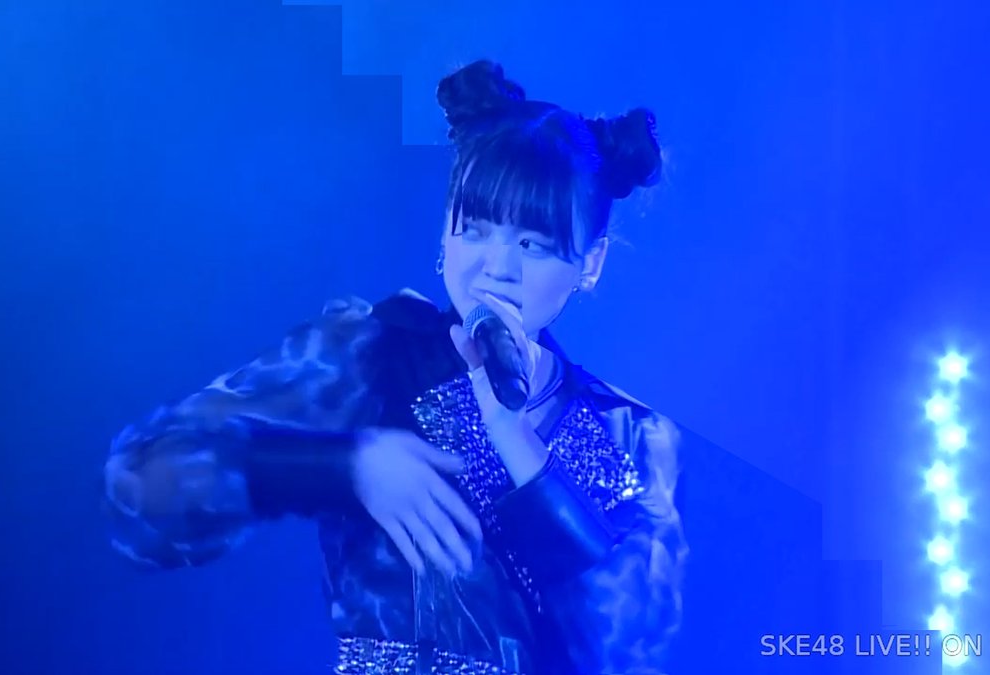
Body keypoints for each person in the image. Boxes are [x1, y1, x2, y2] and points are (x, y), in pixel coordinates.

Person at [103, 59, 688, 675]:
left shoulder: (629, 433)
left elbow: (625, 646)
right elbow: (144, 486)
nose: (496, 268)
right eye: (475, 230)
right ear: (444, 234)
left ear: (590, 263)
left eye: (531, 244)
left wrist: (515, 442)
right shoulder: (370, 354)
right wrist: (344, 467)